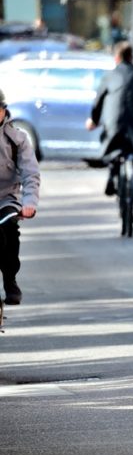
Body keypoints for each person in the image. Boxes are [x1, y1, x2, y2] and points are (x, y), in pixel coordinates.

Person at [86, 42, 133, 221]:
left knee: (112, 147)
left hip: (114, 124)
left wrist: (94, 120)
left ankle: (112, 176)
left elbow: (98, 103)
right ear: (132, 57)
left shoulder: (109, 77)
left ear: (116, 58)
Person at [0, 88, 40, 305]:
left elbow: (30, 173)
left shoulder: (17, 139)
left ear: (3, 111)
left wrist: (29, 203)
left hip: (6, 198)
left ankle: (9, 279)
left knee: (9, 232)